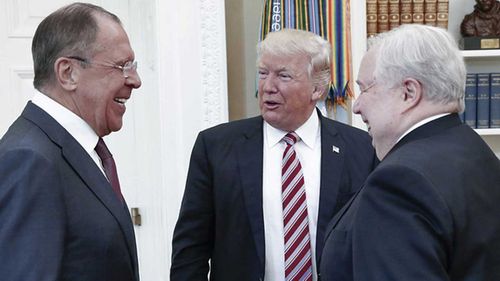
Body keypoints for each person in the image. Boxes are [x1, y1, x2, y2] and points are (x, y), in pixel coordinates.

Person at [170, 29, 378, 281]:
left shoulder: (362, 149)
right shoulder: (215, 147)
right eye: (262, 73)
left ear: (317, 89)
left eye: (284, 76)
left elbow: (376, 242)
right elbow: (190, 248)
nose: (268, 87)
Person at [320, 24, 500, 281]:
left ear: (409, 92)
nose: (357, 106)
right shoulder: (475, 151)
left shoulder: (400, 182)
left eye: (365, 89)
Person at [0, 3, 141, 281]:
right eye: (122, 66)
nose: (134, 80)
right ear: (68, 73)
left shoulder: (79, 149)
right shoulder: (30, 160)